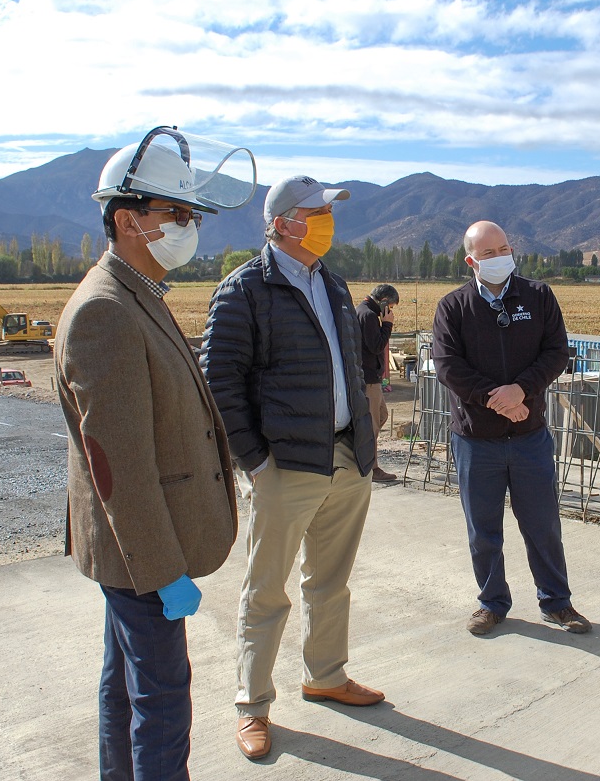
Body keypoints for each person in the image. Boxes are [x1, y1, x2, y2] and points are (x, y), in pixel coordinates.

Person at [56, 127, 248, 780]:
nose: (189, 227)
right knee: (162, 698)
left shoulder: (138, 292)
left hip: (135, 549)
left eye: (191, 214)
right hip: (140, 550)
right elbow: (121, 467)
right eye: (178, 213)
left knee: (126, 685)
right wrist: (163, 568)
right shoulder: (105, 312)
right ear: (128, 219)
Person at [200, 174, 383, 763]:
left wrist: (364, 438)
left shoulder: (331, 282)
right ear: (282, 223)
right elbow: (220, 383)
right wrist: (256, 460)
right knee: (266, 589)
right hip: (286, 464)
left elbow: (348, 368)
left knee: (330, 579)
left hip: (346, 457)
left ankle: (325, 675)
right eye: (316, 212)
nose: (327, 221)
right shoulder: (243, 290)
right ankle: (252, 707)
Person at [431, 220, 590, 637]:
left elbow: (556, 352)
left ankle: (557, 602)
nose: (500, 257)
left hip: (528, 437)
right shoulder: (453, 307)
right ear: (471, 261)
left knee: (543, 525)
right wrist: (496, 400)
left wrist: (522, 390)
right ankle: (491, 602)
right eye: (488, 253)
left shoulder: (537, 296)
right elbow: (448, 367)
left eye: (504, 248)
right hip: (475, 440)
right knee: (483, 530)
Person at [357, 284, 400, 482]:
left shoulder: (365, 312)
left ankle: (363, 458)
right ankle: (372, 469)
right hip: (368, 379)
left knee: (381, 416)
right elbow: (376, 346)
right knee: (372, 426)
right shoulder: (368, 316)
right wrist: (387, 325)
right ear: (383, 301)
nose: (390, 311)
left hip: (372, 378)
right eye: (390, 306)